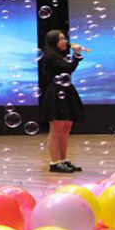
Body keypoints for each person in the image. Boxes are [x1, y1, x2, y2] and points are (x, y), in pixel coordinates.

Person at [40, 30, 87, 173]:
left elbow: (68, 69)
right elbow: (68, 68)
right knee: (57, 129)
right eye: (60, 39)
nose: (65, 41)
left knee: (66, 128)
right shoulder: (49, 57)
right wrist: (76, 55)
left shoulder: (59, 56)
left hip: (67, 91)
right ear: (53, 42)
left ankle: (63, 160)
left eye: (64, 38)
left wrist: (75, 56)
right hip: (56, 93)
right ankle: (54, 163)